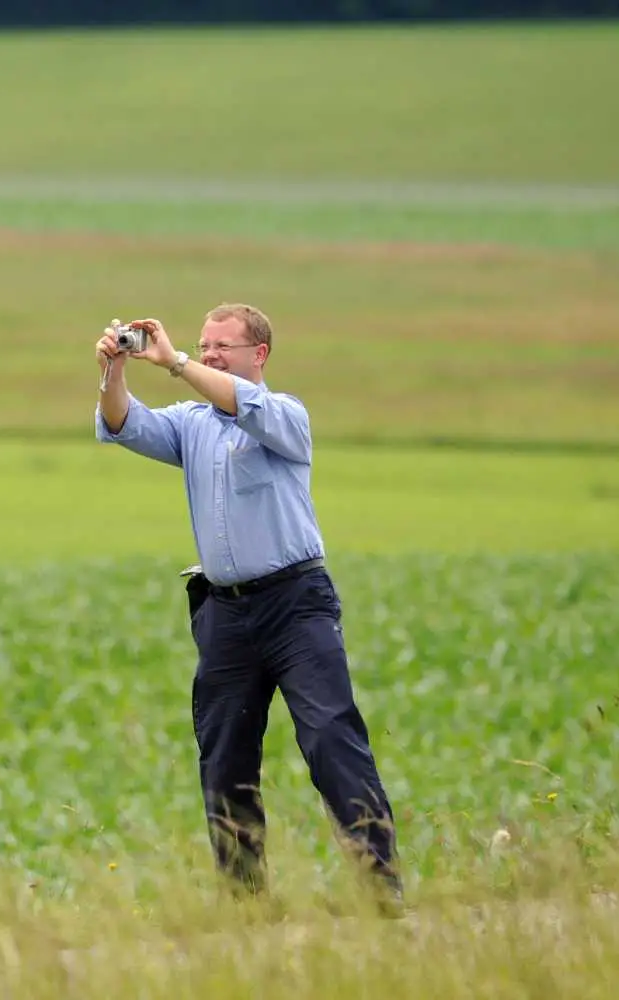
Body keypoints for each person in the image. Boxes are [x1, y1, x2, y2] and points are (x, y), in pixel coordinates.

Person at [91, 303, 402, 908]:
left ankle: (381, 885)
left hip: (295, 603)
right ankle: (245, 900)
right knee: (225, 752)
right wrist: (114, 369)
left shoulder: (285, 414)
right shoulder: (192, 423)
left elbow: (243, 405)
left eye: (220, 347)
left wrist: (176, 361)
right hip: (225, 612)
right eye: (204, 345)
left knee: (330, 736)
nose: (208, 354)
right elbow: (124, 423)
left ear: (257, 354)